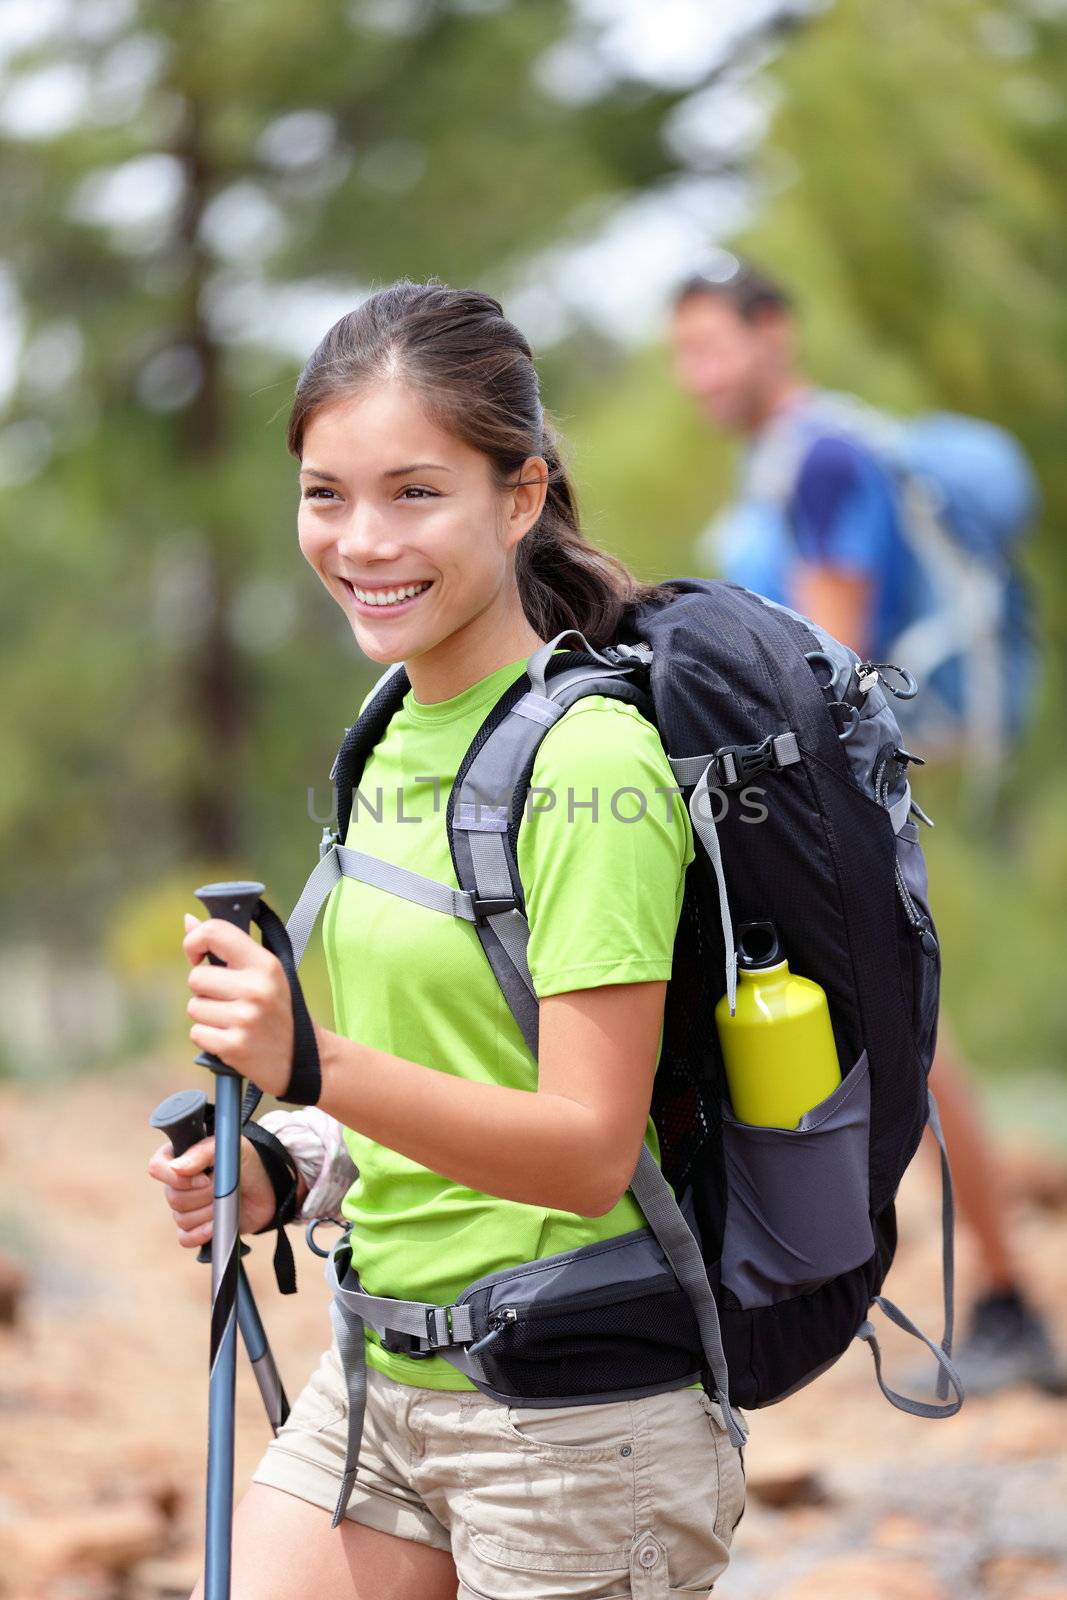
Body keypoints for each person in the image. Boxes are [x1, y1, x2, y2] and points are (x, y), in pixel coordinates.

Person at [147, 279, 746, 1600]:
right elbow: (433, 1073)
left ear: (519, 496)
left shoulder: (593, 763)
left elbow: (586, 1153)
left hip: (569, 1425)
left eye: (414, 492)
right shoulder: (387, 734)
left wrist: (314, 1066)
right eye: (324, 493)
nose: (362, 540)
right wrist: (285, 1163)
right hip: (374, 1379)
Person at [668, 256, 1067, 1400]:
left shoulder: (823, 459)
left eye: (708, 347)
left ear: (772, 332)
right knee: (893, 1031)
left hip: (842, 791)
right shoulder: (784, 466)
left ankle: (997, 1295)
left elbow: (820, 657)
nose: (695, 376)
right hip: (830, 786)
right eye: (681, 354)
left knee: (911, 1035)